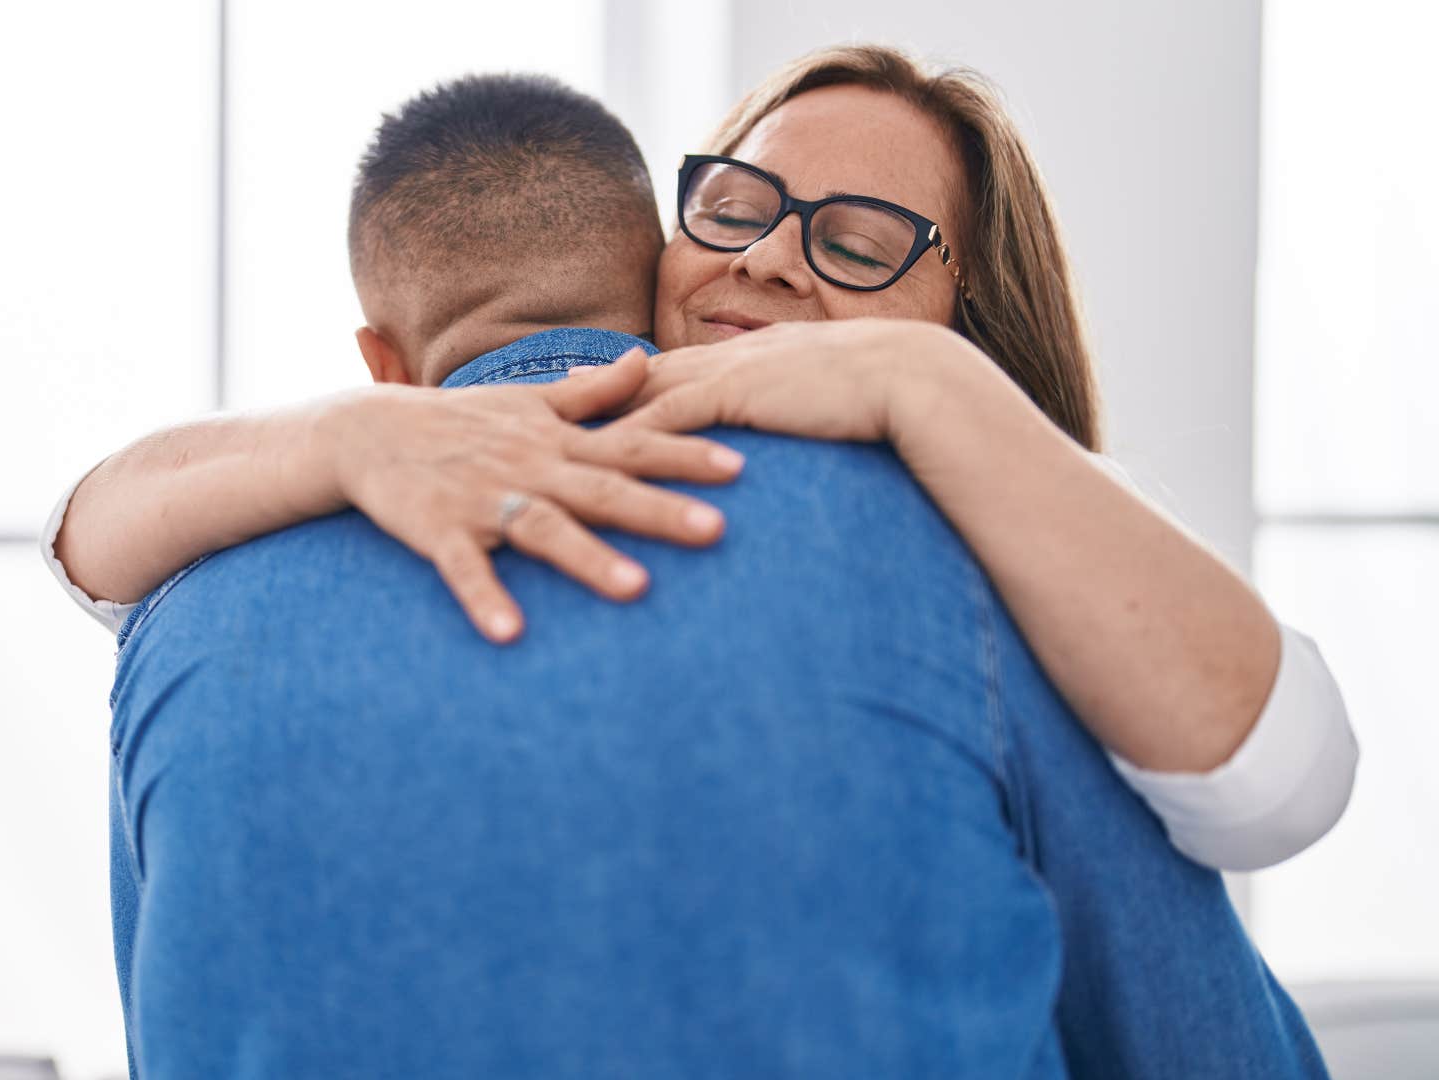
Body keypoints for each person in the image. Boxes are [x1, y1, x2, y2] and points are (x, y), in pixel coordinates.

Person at [82, 63, 1332, 1077]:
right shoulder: (939, 582)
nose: (771, 261)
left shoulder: (192, 613)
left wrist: (930, 392)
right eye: (736, 210)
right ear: (647, 255)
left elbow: (1286, 768)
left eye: (862, 242)